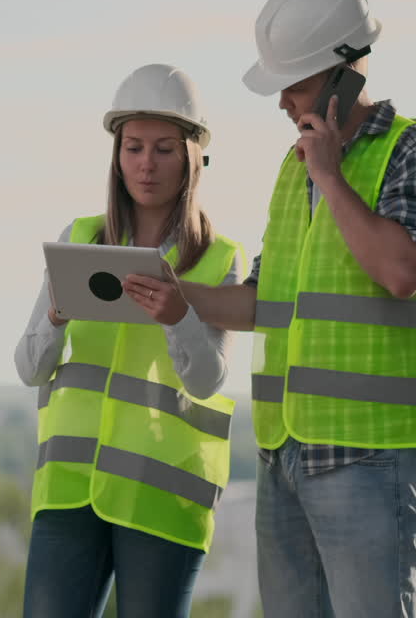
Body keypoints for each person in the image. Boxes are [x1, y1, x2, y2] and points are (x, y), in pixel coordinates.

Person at [182, 0, 416, 618]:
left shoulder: (413, 152)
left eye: (296, 86)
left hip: (371, 457)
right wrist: (178, 297)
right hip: (286, 455)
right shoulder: (295, 169)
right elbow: (264, 300)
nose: (283, 102)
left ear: (346, 76)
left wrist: (333, 176)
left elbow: (401, 271)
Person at [14, 63, 245, 618]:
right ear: (116, 155)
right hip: (70, 490)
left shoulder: (219, 258)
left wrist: (179, 315)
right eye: (134, 147)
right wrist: (56, 314)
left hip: (161, 498)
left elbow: (207, 379)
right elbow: (28, 367)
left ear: (192, 157)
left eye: (164, 148)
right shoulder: (80, 238)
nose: (146, 164)